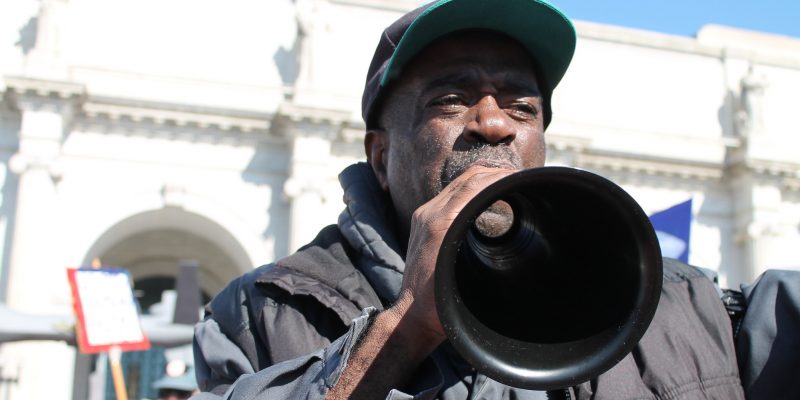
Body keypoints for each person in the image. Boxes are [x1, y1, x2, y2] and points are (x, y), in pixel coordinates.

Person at [192, 0, 748, 398]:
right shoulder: (261, 314)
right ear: (380, 156)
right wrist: (404, 328)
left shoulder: (684, 304)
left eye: (522, 108)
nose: (494, 123)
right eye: (452, 100)